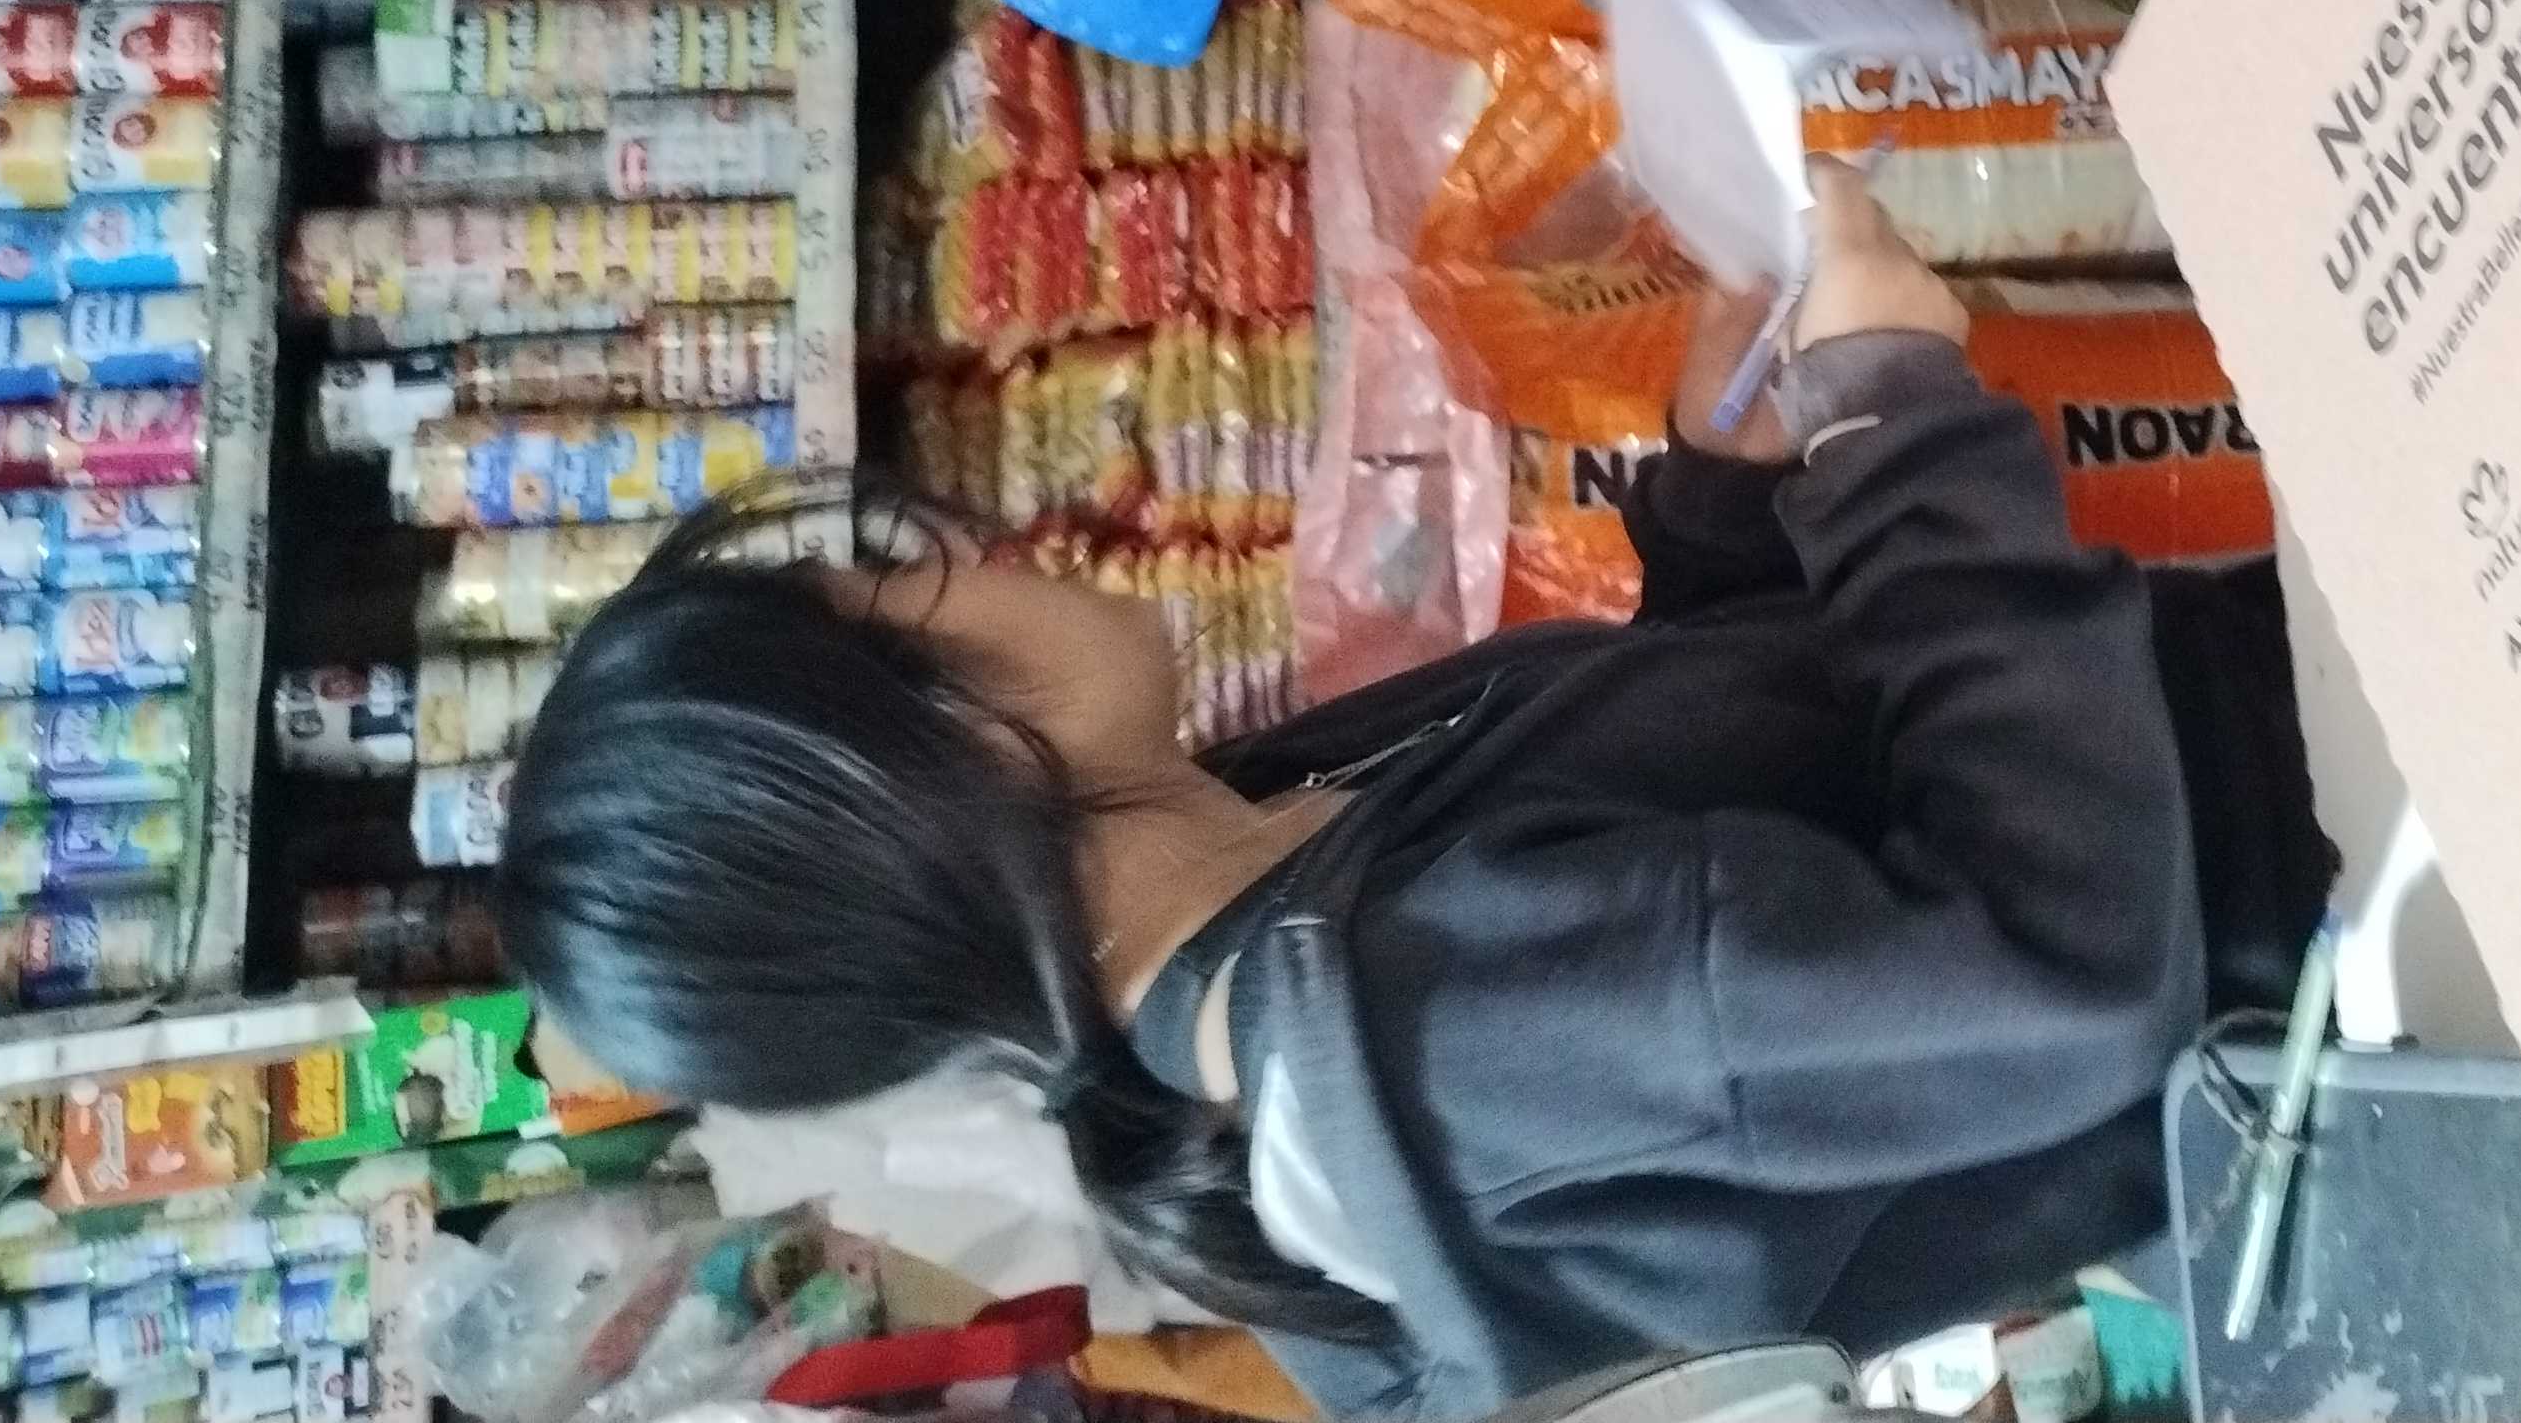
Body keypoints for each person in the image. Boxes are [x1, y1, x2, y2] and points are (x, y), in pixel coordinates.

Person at [499, 167, 2329, 1417]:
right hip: (2350, 911)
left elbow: (1716, 821)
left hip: (2299, 742)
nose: (980, 548)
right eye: (898, 584)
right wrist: (1896, 428)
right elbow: (2059, 965)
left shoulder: (1257, 840)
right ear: (935, 758)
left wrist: (1726, 497)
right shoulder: (1417, 1035)